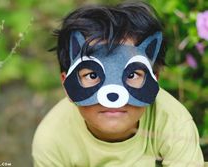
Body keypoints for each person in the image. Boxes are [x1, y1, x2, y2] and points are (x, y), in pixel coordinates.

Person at [32, 1, 205, 166]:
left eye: (132, 74)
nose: (114, 97)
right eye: (92, 75)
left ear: (155, 79)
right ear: (66, 85)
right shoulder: (52, 139)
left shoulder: (174, 124)